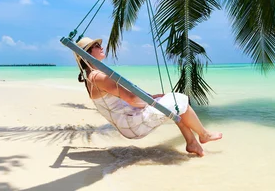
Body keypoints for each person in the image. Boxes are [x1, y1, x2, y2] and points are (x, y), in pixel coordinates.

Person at [75, 37, 222, 157]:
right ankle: (204, 135)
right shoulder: (98, 77)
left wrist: (154, 97)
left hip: (127, 121)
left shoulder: (91, 77)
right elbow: (132, 100)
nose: (101, 46)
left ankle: (192, 143)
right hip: (131, 124)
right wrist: (153, 102)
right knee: (179, 99)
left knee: (174, 104)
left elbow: (124, 101)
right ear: (86, 53)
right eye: (96, 45)